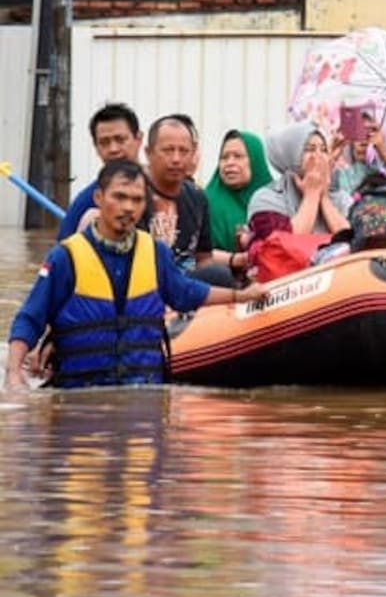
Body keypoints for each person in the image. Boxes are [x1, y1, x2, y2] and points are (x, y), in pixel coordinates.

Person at [5, 159, 268, 391]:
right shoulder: (65, 257)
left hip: (144, 392)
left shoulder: (156, 253)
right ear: (98, 198)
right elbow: (30, 317)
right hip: (80, 394)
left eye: (137, 200)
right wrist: (13, 375)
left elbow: (186, 293)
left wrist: (240, 295)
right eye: (119, 197)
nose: (128, 207)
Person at [143, 115, 223, 283]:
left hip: (186, 290)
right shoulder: (133, 195)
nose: (176, 159)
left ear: (193, 154)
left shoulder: (198, 197)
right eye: (168, 150)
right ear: (148, 153)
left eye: (184, 151)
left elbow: (204, 258)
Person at [57, 103, 149, 239]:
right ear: (96, 147)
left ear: (138, 139)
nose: (113, 149)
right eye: (104, 142)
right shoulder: (85, 203)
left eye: (120, 139)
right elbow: (61, 253)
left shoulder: (165, 187)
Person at [247, 123, 350, 240]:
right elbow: (285, 245)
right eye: (309, 149)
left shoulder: (340, 197)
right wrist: (311, 195)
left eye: (323, 150)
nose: (318, 156)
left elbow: (353, 240)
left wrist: (323, 197)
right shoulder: (266, 198)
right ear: (290, 155)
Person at [205, 129, 272, 276]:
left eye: (238, 156)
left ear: (255, 160)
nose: (230, 163)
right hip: (223, 284)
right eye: (224, 157)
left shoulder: (274, 199)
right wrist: (234, 260)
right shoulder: (206, 201)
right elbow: (197, 255)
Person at [332, 110, 386, 194]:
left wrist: (385, 154)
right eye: (359, 134)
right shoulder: (342, 176)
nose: (363, 142)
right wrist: (332, 154)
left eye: (369, 135)